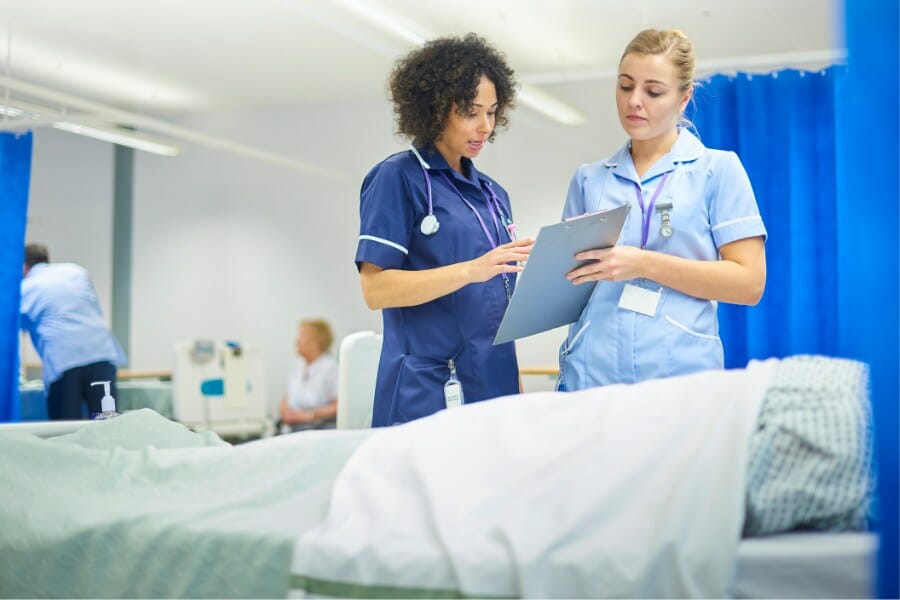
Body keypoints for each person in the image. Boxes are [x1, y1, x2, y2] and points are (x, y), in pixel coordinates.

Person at [558, 29, 767, 391]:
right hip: (592, 375)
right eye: (625, 86)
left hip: (682, 376)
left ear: (684, 97)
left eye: (653, 91)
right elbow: (567, 287)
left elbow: (749, 284)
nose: (634, 101)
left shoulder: (717, 170)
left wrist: (643, 263)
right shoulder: (589, 180)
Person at [355, 33, 533, 427]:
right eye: (471, 111)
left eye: (492, 112)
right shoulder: (397, 178)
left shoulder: (493, 194)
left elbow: (494, 304)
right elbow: (375, 289)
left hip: (495, 382)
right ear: (436, 109)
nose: (485, 126)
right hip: (430, 387)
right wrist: (471, 270)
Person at [19, 243, 127, 420]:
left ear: (23, 266)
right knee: (107, 424)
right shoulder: (76, 271)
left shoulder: (26, 288)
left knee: (66, 428)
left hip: (65, 362)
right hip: (102, 353)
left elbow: (11, 327)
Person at [278, 319, 338, 432]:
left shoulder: (330, 368)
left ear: (316, 342)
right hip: (291, 428)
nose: (296, 341)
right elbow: (288, 396)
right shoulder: (298, 364)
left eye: (302, 336)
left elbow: (339, 406)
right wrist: (284, 410)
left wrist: (309, 415)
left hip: (316, 429)